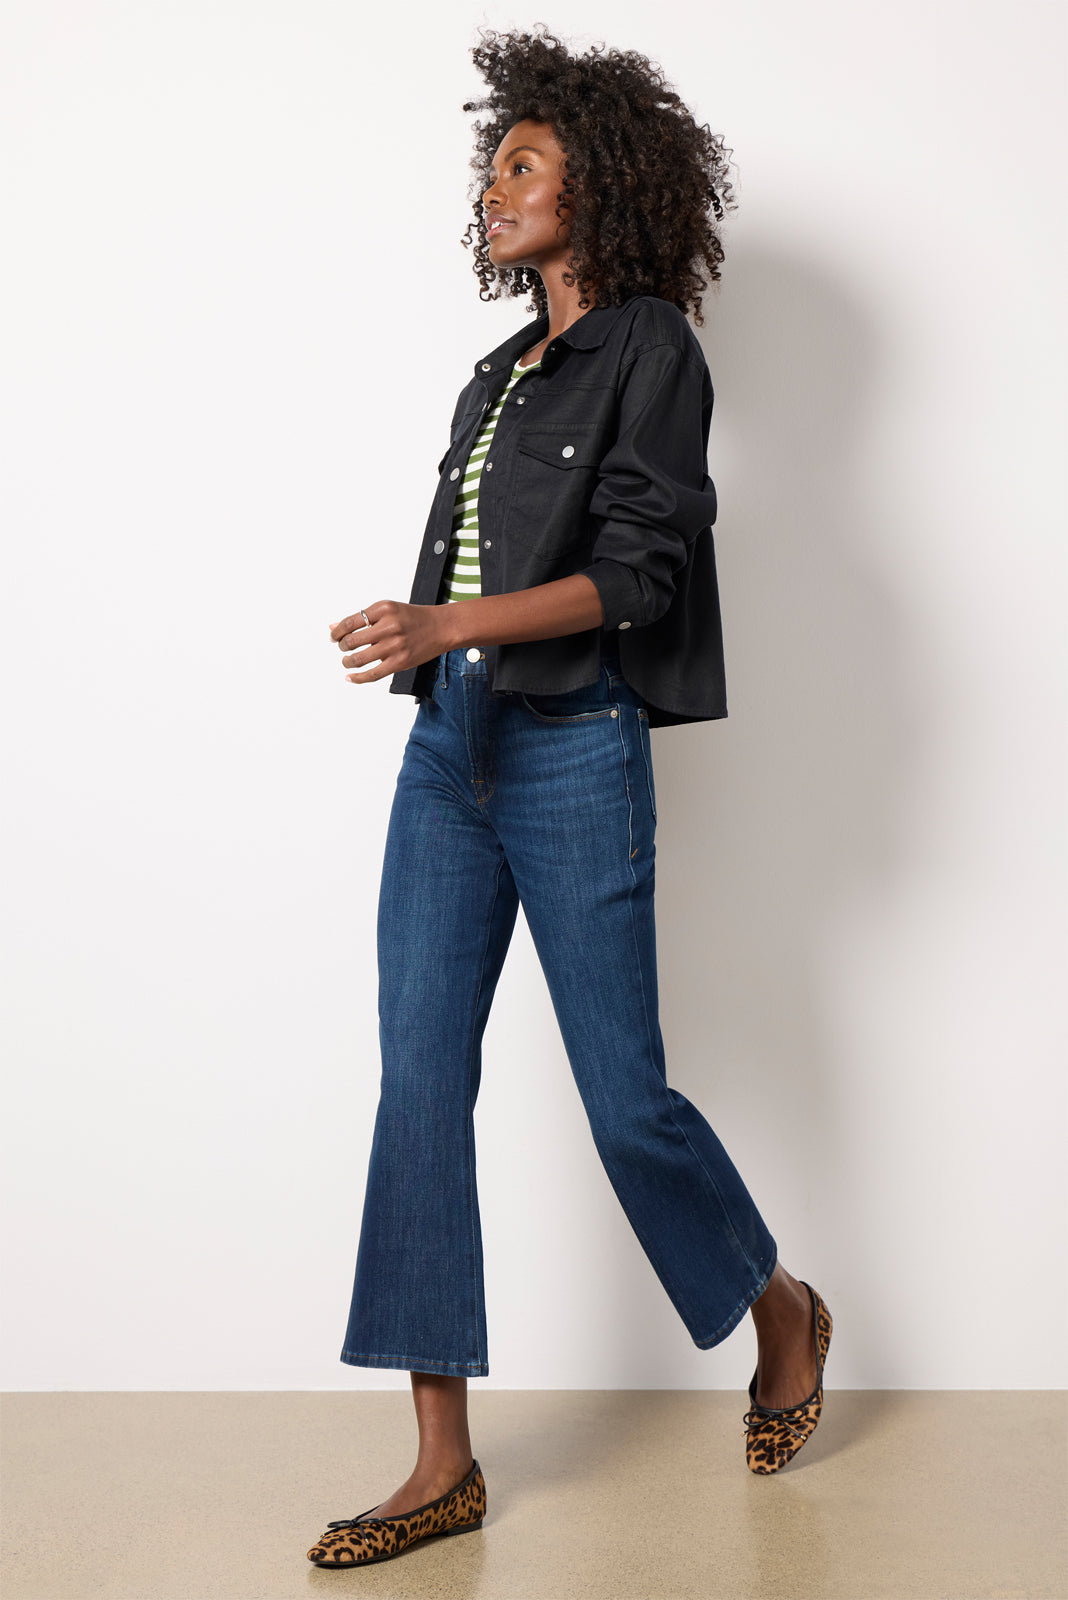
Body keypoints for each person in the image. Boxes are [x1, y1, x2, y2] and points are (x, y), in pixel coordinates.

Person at [307, 26, 832, 1572]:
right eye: (492, 170)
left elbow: (636, 574)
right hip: (447, 749)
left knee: (624, 1100)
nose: (494, 190)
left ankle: (780, 1307)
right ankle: (441, 1463)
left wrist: (447, 622)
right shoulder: (497, 376)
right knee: (418, 1088)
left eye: (523, 166)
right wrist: (434, 650)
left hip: (572, 744)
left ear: (596, 186)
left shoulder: (654, 349)